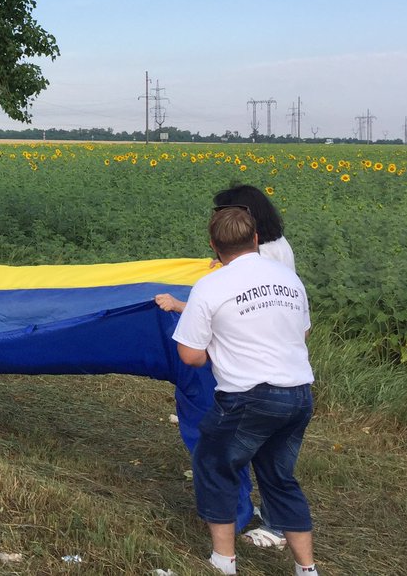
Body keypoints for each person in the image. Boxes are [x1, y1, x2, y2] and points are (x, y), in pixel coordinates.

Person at [167, 207, 317, 576]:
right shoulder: (288, 278)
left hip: (248, 397)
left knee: (214, 465)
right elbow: (303, 333)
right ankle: (307, 569)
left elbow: (189, 355)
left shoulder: (211, 285)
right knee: (279, 478)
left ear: (214, 246)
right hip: (298, 393)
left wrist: (216, 350)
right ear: (254, 240)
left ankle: (223, 562)